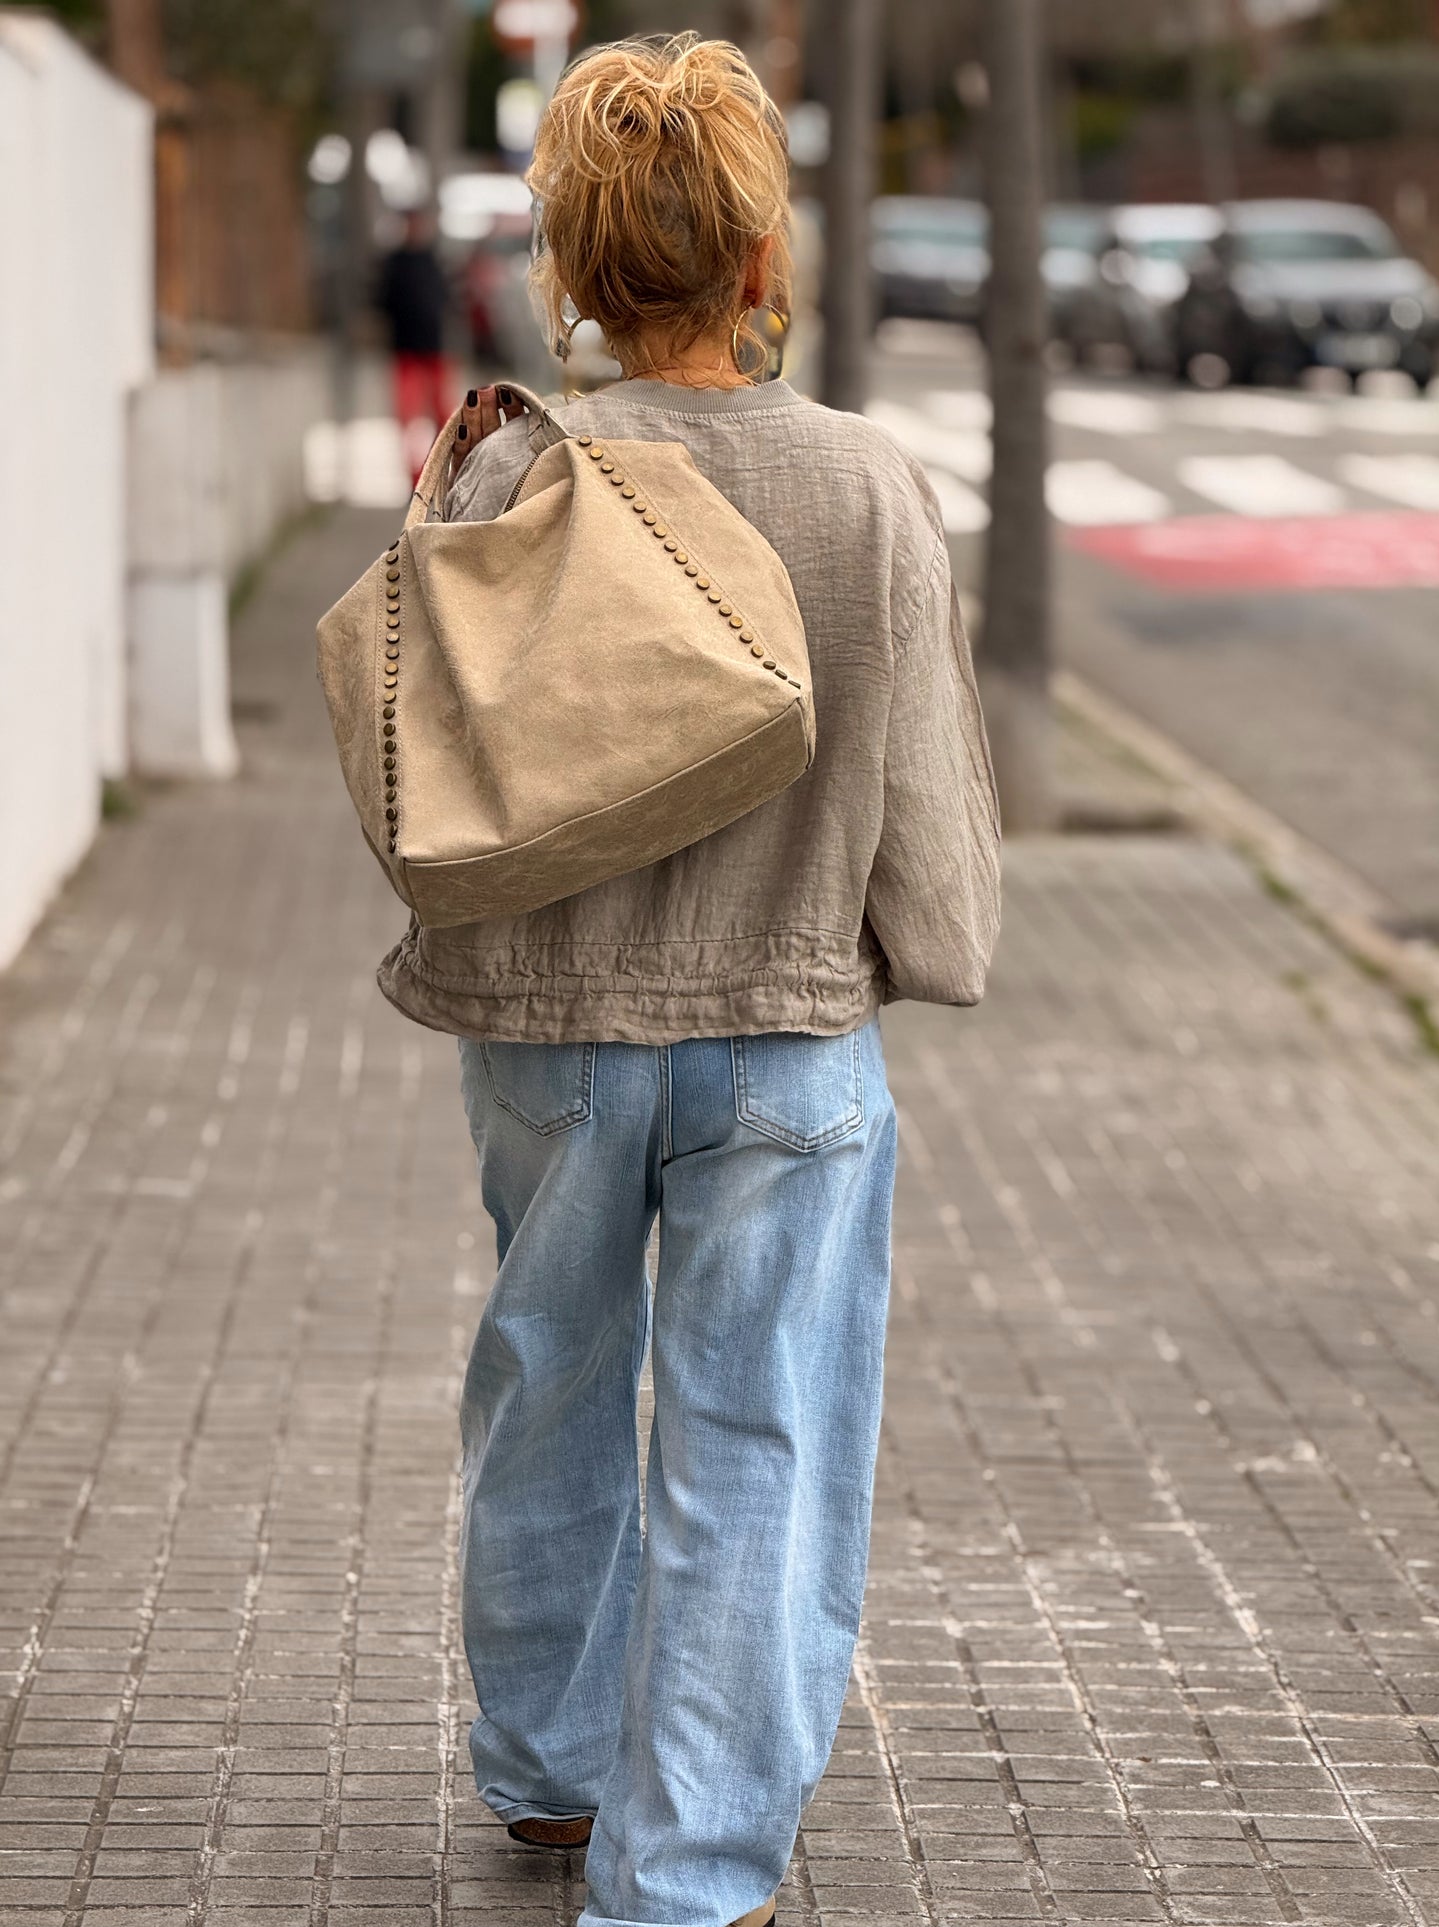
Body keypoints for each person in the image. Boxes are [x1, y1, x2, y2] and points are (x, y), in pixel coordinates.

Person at [377, 33, 1001, 1927]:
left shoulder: (510, 473)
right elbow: (925, 786)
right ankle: (691, 1869)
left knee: (545, 1378)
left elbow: (442, 768)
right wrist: (931, 949)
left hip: (555, 1036)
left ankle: (556, 1777)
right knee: (760, 1434)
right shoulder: (865, 483)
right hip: (792, 1032)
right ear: (758, 260)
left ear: (566, 267)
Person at [376, 207, 452, 485]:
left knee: (444, 416)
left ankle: (442, 473)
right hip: (406, 353)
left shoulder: (433, 260)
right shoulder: (394, 263)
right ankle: (415, 478)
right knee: (408, 419)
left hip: (434, 351)